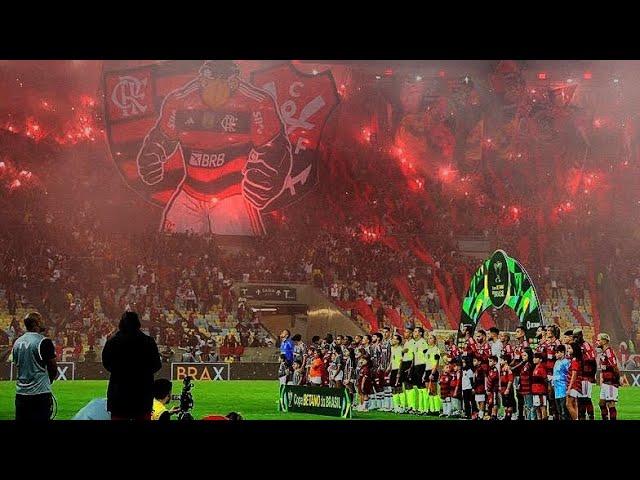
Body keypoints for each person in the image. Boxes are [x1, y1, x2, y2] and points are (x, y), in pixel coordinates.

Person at [102, 311, 162, 420]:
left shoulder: (113, 342)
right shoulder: (148, 341)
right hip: (142, 394)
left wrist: (120, 372)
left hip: (119, 393)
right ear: (138, 323)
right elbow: (157, 365)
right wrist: (142, 373)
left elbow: (106, 363)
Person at [12, 312, 58, 421]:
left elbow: (17, 364)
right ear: (36, 323)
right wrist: (49, 381)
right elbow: (53, 367)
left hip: (21, 394)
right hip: (40, 394)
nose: (43, 322)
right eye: (41, 319)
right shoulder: (44, 341)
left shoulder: (17, 342)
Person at [596, 333, 620, 420]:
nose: (597, 342)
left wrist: (616, 380)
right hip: (606, 382)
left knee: (610, 403)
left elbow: (614, 366)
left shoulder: (609, 351)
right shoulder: (604, 352)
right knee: (601, 403)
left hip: (611, 382)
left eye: (598, 340)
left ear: (604, 341)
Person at [552, 344, 570, 420]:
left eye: (557, 352)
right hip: (556, 389)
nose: (555, 354)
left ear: (562, 352)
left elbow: (569, 374)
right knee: (559, 410)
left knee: (564, 411)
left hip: (563, 388)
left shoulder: (566, 362)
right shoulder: (556, 362)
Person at [566, 343, 583, 420]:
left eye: (569, 348)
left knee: (568, 404)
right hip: (576, 385)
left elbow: (574, 374)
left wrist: (569, 387)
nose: (568, 350)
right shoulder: (576, 359)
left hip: (574, 385)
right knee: (574, 404)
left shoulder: (574, 360)